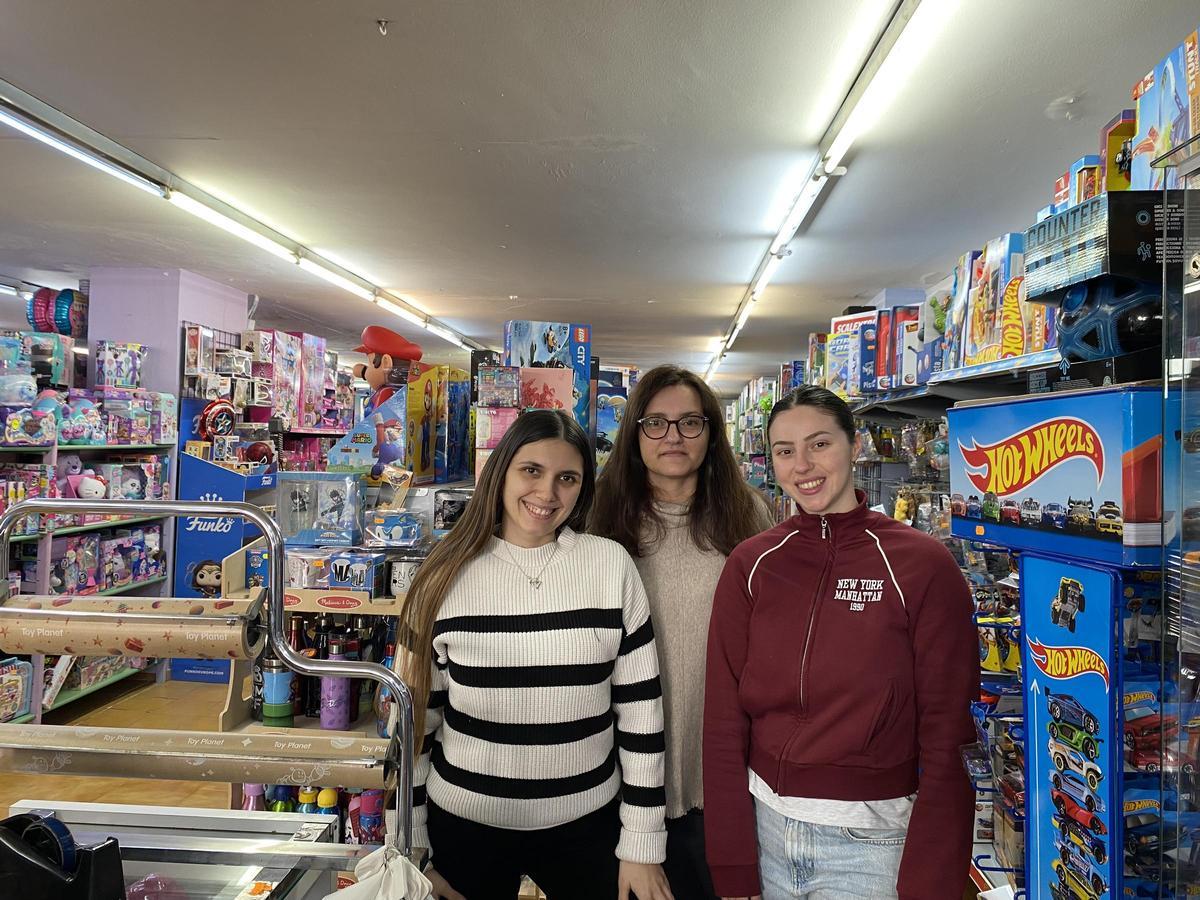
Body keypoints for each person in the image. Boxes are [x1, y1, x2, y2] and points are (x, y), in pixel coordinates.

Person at [703, 386, 977, 900]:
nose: (802, 465)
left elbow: (950, 733)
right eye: (785, 451)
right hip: (766, 833)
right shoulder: (752, 564)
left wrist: (933, 879)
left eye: (820, 444)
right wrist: (732, 861)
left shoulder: (921, 565)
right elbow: (722, 719)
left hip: (873, 845)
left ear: (854, 445)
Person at [397, 408, 673, 900]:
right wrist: (412, 847)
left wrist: (643, 842)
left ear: (583, 488)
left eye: (567, 478)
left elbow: (642, 716)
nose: (547, 493)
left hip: (589, 828)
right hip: (463, 832)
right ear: (501, 471)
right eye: (532, 471)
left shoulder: (611, 566)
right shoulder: (441, 576)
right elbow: (414, 727)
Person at [593, 365, 775, 899]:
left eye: (690, 422)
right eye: (656, 423)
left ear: (711, 433)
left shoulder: (750, 516)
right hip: (616, 775)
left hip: (719, 771)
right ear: (634, 433)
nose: (673, 436)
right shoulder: (598, 517)